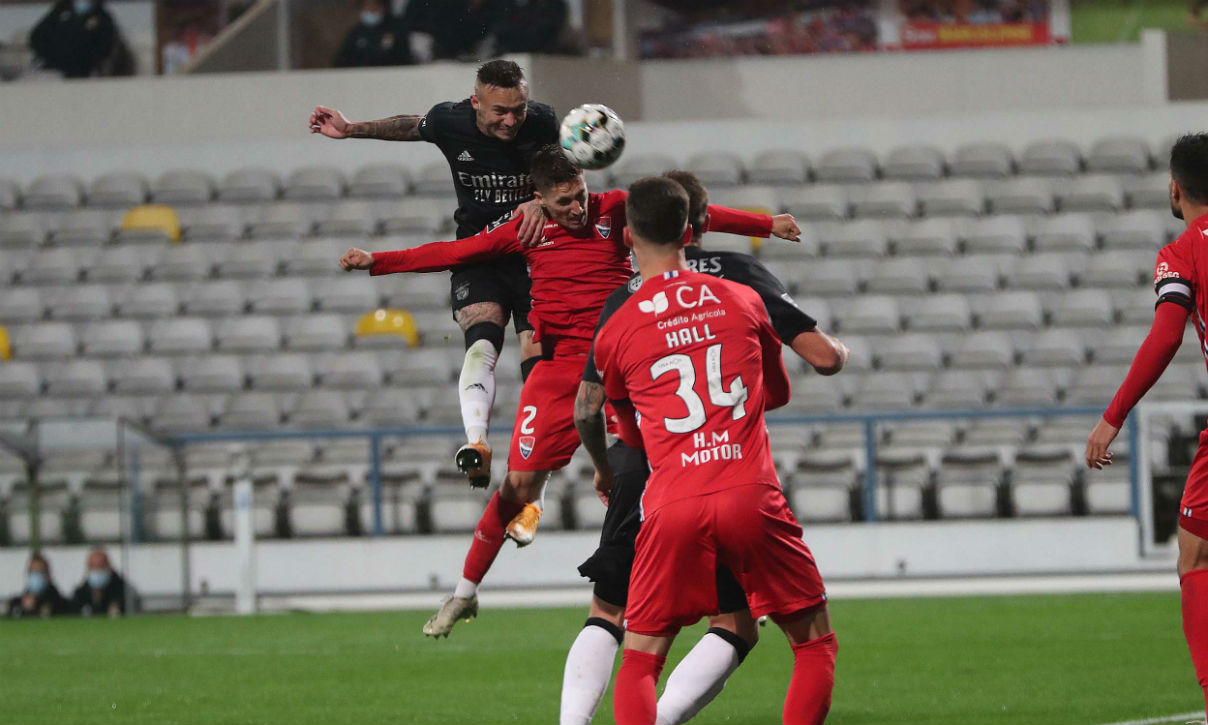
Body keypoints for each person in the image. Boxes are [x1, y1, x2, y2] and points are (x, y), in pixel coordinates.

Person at [339, 146, 801, 638]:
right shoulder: (528, 229)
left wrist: (765, 224)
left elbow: (682, 210)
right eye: (564, 202)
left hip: (627, 357)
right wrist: (377, 262)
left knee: (687, 468)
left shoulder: (616, 207)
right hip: (560, 370)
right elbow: (454, 253)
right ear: (538, 199)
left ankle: (740, 590)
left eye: (579, 194)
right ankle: (464, 594)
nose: (577, 208)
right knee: (516, 487)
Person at [563, 170, 847, 725]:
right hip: (748, 491)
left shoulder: (617, 322)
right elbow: (775, 393)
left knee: (639, 660)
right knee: (812, 644)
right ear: (694, 229)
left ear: (627, 237)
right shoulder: (742, 295)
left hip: (667, 500)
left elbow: (619, 423)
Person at [310, 60, 554, 512]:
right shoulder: (450, 120)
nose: (511, 120)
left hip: (534, 256)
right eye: (500, 110)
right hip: (479, 254)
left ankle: (532, 489)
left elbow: (564, 179)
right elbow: (410, 126)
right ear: (475, 101)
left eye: (517, 109)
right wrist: (351, 129)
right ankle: (477, 445)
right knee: (481, 342)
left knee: (538, 365)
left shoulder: (542, 121)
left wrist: (543, 201)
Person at [1085, 132, 1208, 718]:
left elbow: (1166, 334)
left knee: (1197, 560)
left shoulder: (1183, 251)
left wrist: (1113, 417)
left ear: (1175, 188)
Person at [29, 0, 121, 79]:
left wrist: (89, 62)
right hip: (55, 70)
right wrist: (53, 59)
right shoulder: (58, 14)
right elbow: (37, 37)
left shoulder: (101, 17)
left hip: (90, 71)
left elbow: (107, 44)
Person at [333, 0, 414, 68]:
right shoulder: (356, 33)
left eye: (374, 7)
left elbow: (404, 59)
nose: (370, 11)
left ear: (383, 7)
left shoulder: (396, 30)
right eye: (367, 7)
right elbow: (342, 60)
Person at [7, 552, 72, 618]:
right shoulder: (22, 598)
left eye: (39, 571)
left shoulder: (54, 597)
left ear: (47, 574)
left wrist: (36, 605)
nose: (35, 574)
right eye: (32, 571)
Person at [71, 547, 130, 617]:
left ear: (108, 566)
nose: (97, 571)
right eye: (94, 567)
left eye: (101, 567)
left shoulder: (122, 590)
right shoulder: (80, 593)